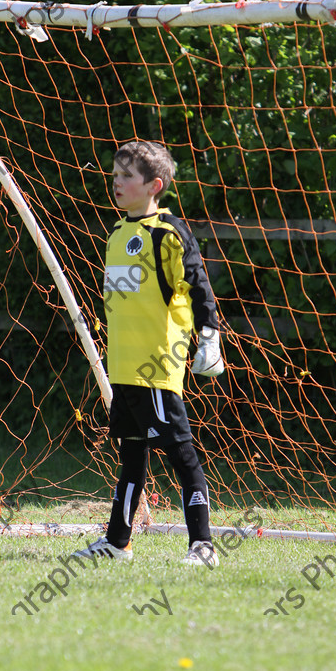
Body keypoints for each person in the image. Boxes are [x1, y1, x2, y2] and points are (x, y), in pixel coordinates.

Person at [75, 140, 224, 566]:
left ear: (154, 185)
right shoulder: (118, 233)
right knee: (131, 456)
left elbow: (197, 284)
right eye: (115, 174)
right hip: (123, 368)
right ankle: (118, 542)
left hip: (158, 367)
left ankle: (203, 545)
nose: (116, 183)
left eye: (126, 176)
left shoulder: (169, 232)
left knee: (182, 454)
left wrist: (209, 333)